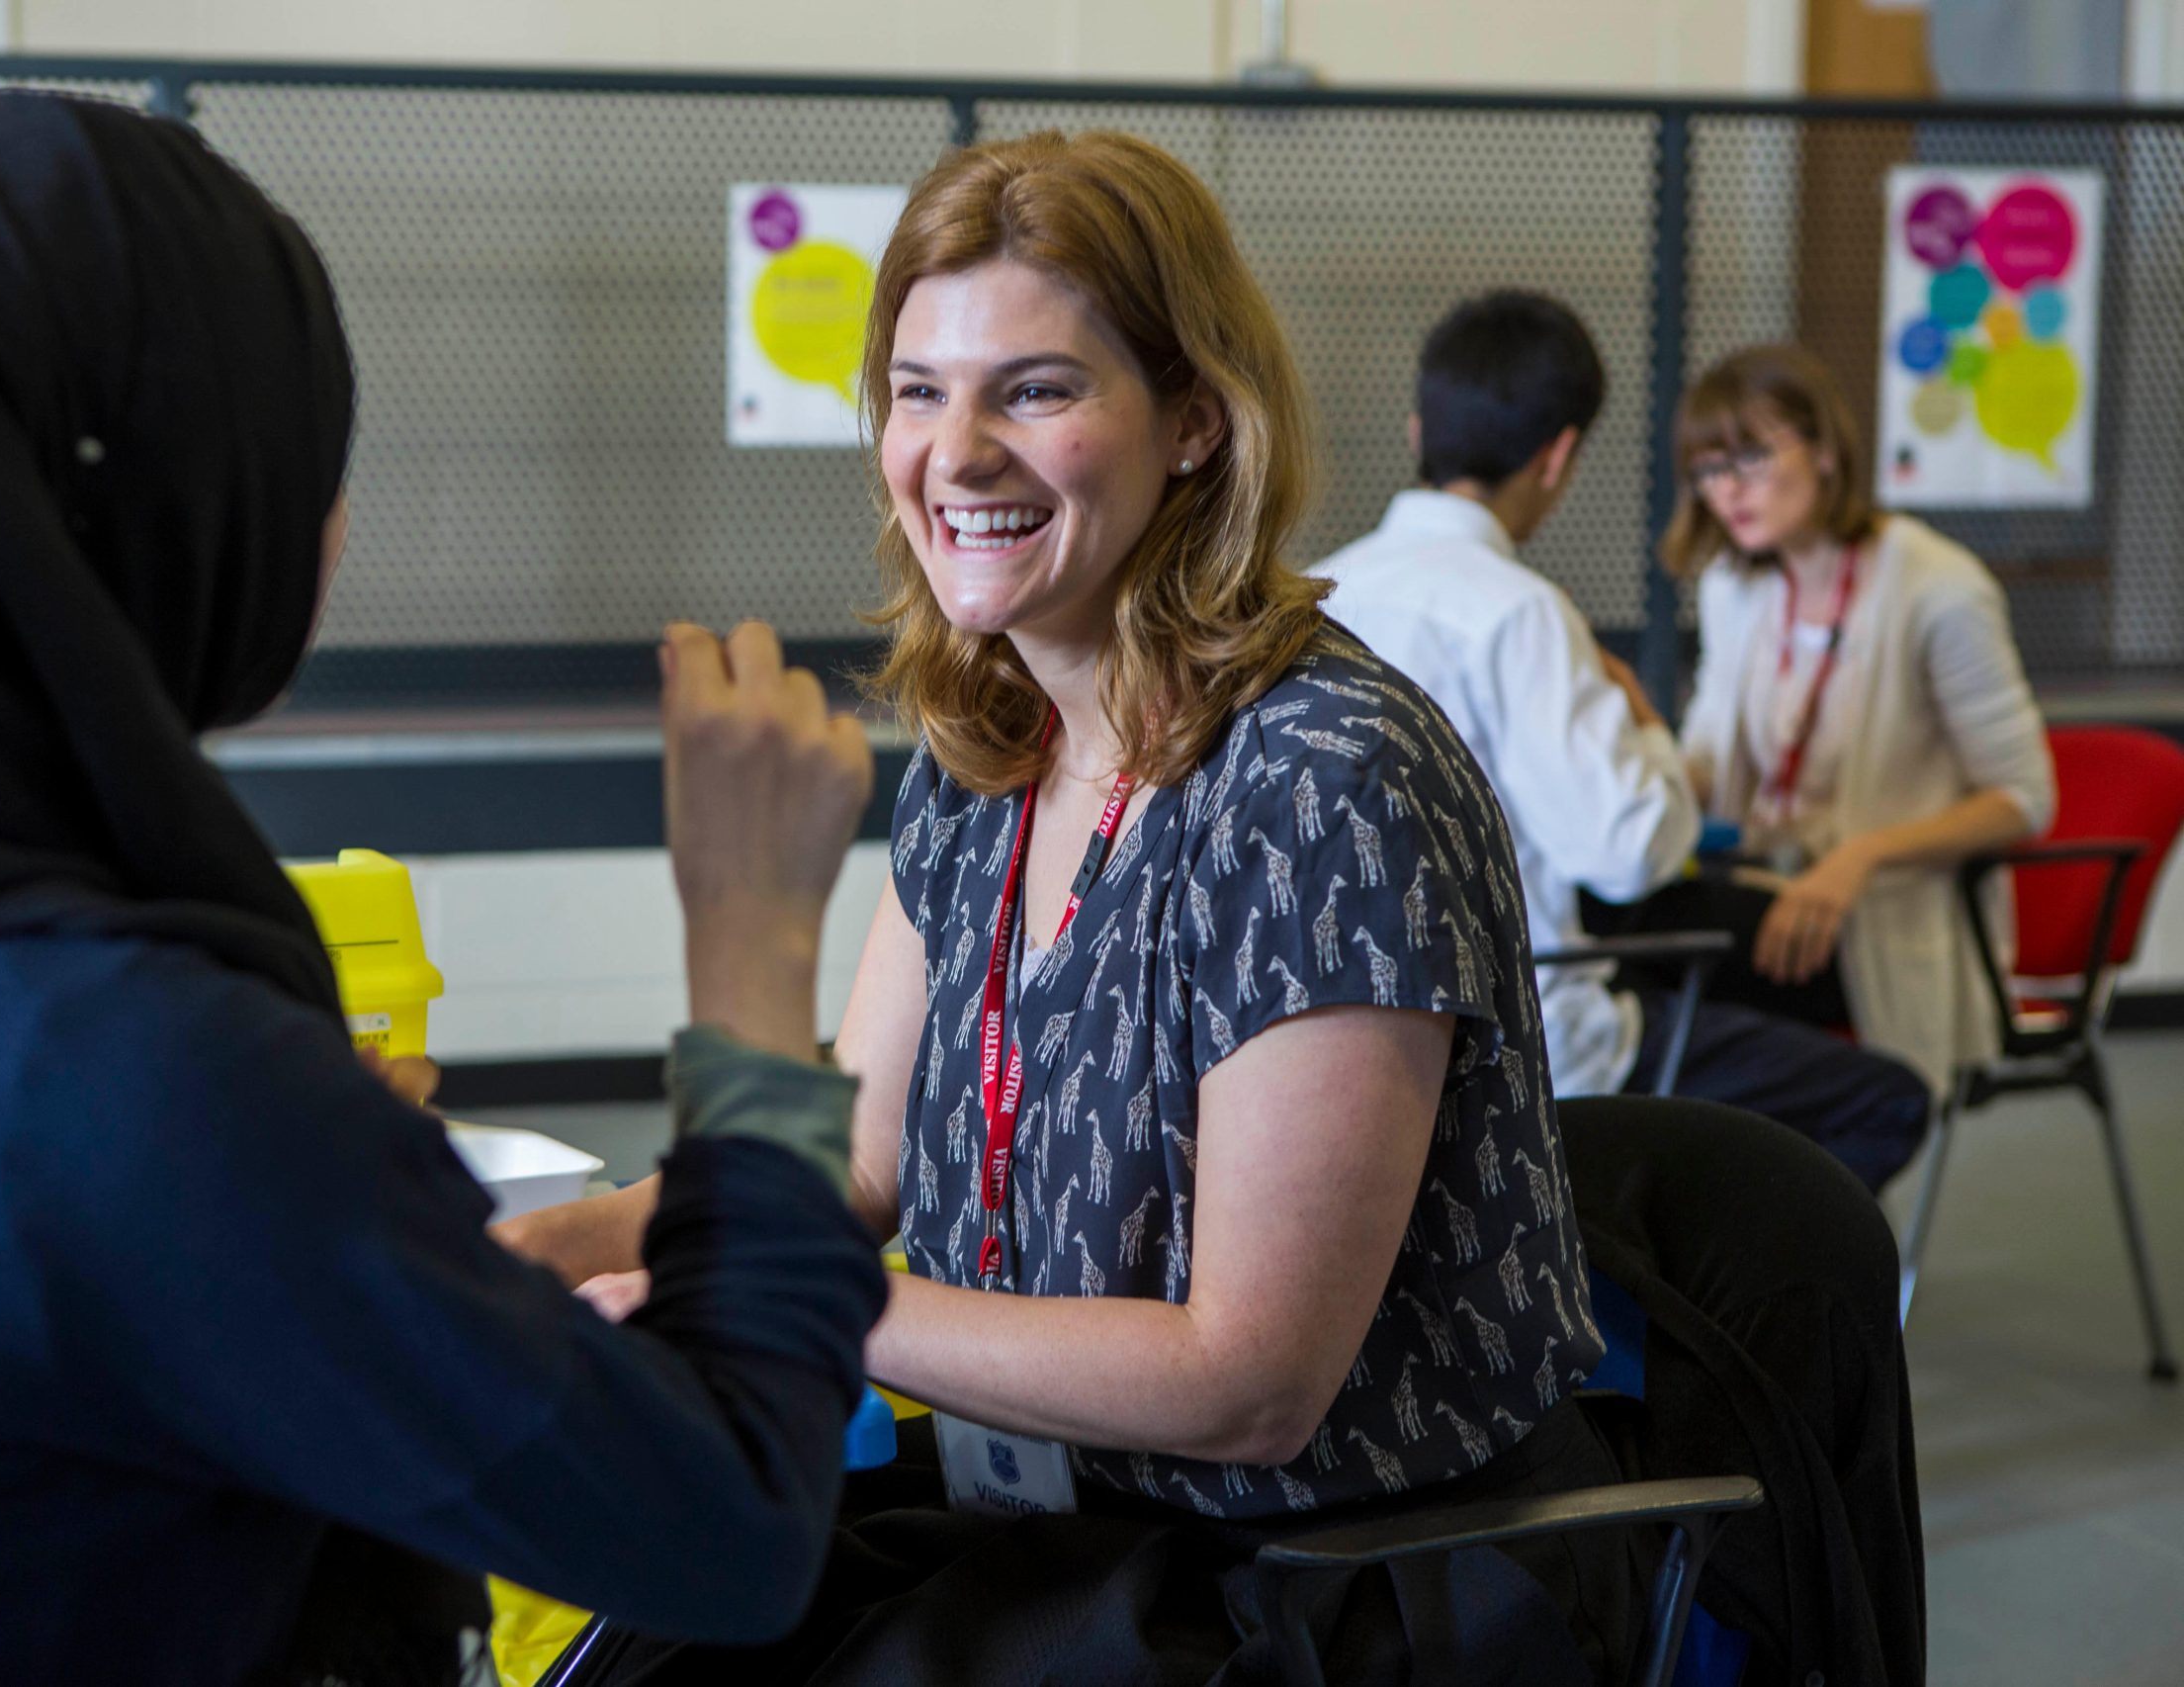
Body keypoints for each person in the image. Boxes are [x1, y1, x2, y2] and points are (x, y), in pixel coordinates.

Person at [0, 94, 889, 1685]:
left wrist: (285, 1177)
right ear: (132, 501)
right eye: (298, 452)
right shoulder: (111, 1075)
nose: (333, 521)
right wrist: (756, 948)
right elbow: (729, 1528)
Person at [504, 132, 1639, 1681]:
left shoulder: (1322, 781)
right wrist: (571, 1241)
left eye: (1032, 389)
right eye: (918, 390)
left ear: (1191, 420)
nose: (955, 453)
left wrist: (787, 1298)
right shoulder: (984, 751)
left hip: (1329, 1582)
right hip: (1071, 1520)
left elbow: (1250, 1381)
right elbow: (850, 1159)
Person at [1313, 294, 1933, 1193]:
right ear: (1560, 455)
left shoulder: (1319, 593)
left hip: (1349, 1037)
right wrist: (1642, 723)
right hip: (1530, 1048)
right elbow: (1630, 852)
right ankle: (1682, 1311)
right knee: (1886, 1100)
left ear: (1419, 428)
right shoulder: (1518, 612)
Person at [1613, 342, 2055, 1096]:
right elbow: (1712, 769)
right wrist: (1630, 734)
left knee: (1644, 955)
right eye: (1710, 469)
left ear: (1822, 449)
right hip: (1767, 889)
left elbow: (2024, 800)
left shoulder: (1939, 587)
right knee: (1609, 914)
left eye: (1750, 457)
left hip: (1876, 922)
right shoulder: (1736, 586)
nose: (1727, 490)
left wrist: (1860, 858)